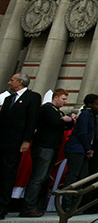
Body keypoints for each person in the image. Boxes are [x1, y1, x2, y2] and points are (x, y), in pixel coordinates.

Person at [21, 88, 74, 217]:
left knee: (44, 177)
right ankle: (28, 206)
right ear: (55, 98)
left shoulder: (57, 112)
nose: (64, 102)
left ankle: (38, 205)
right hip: (44, 146)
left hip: (52, 147)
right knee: (38, 176)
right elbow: (57, 123)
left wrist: (67, 121)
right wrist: (64, 120)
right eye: (63, 99)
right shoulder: (47, 109)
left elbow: (68, 125)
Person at [0, 73, 41, 219]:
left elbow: (32, 120)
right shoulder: (8, 99)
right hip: (3, 140)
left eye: (12, 80)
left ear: (21, 82)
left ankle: (2, 207)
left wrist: (26, 140)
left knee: (8, 173)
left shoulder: (33, 97)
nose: (9, 82)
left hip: (16, 142)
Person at [62, 94, 98, 211]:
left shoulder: (90, 115)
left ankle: (75, 202)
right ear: (90, 104)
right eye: (97, 104)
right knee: (73, 176)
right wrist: (88, 148)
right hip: (77, 149)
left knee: (82, 176)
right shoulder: (85, 115)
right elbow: (83, 133)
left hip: (82, 149)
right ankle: (66, 203)